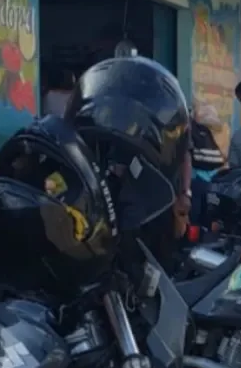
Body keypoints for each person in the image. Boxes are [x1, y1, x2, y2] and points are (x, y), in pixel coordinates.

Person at [64, 56, 193, 268]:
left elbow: (185, 156)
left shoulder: (167, 120)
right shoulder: (106, 121)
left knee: (160, 259)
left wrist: (184, 194)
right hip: (120, 204)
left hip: (160, 201)